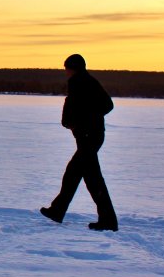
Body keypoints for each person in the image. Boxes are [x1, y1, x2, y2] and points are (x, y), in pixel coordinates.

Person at [40, 54, 119, 231]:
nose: (65, 72)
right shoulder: (87, 81)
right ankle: (58, 210)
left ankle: (108, 220)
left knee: (90, 178)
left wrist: (84, 121)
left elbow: (103, 106)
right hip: (91, 136)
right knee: (77, 174)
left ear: (72, 68)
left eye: (66, 68)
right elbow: (104, 105)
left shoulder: (79, 82)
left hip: (88, 137)